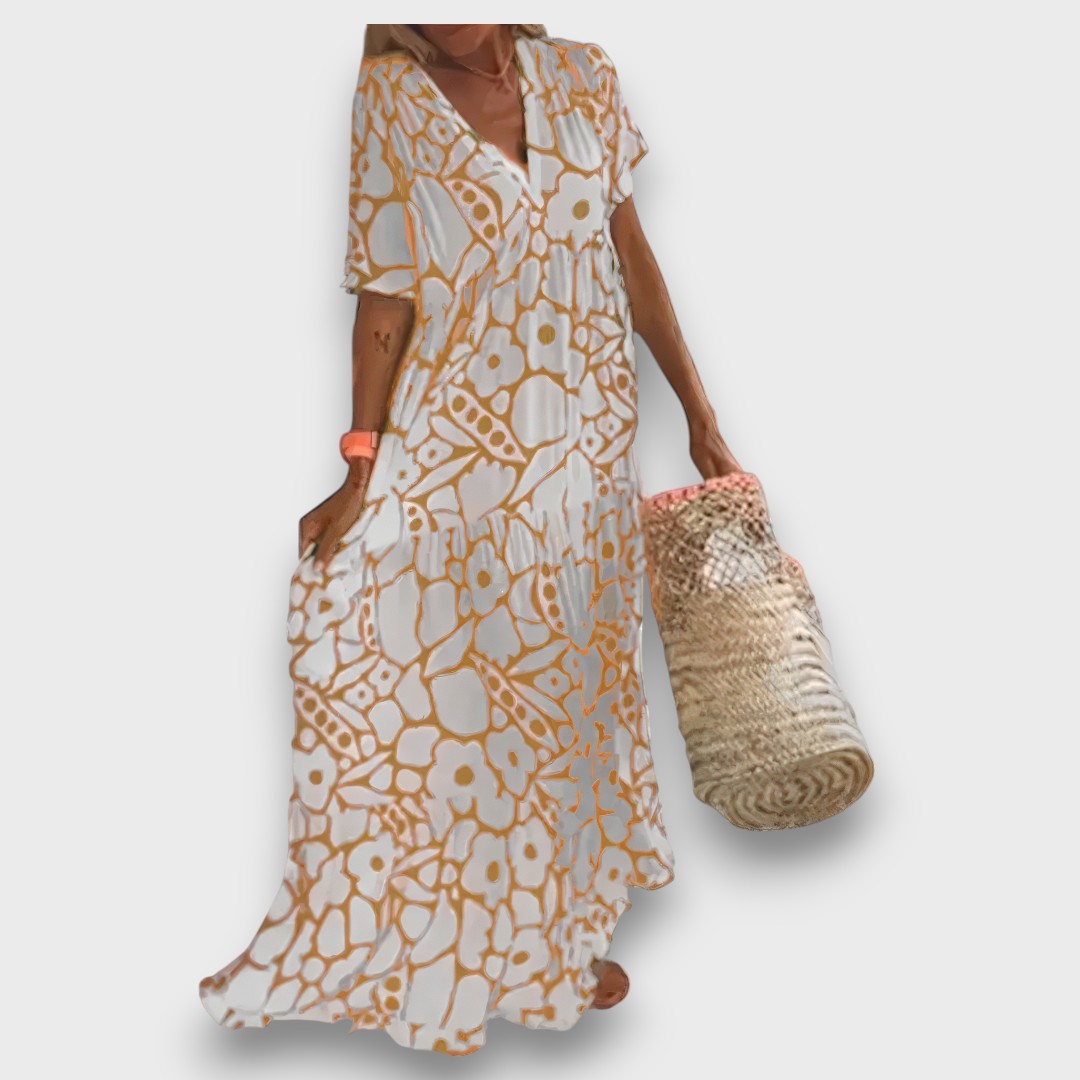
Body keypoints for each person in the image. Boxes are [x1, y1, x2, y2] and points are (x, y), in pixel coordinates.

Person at [199, 22, 741, 1056]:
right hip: (459, 447)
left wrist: (701, 417)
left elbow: (631, 259)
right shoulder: (391, 100)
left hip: (584, 449)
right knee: (454, 687)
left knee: (570, 692)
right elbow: (385, 290)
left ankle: (556, 937)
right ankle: (452, 933)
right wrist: (360, 463)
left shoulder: (584, 77)